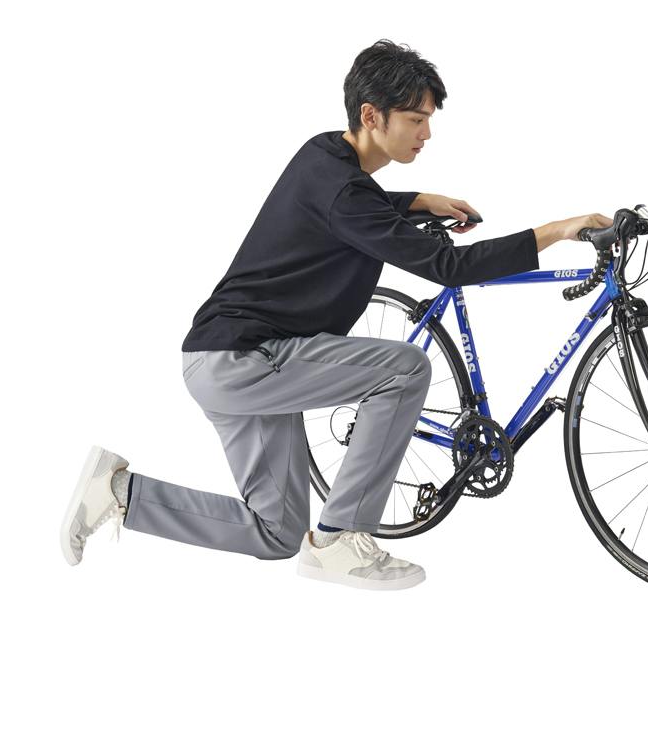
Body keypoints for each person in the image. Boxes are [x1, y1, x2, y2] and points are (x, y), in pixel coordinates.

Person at [60, 39, 612, 590]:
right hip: (246, 359)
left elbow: (352, 208)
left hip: (225, 358)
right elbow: (447, 265)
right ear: (372, 116)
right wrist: (557, 230)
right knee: (405, 369)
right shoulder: (344, 190)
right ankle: (340, 539)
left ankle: (118, 492)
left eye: (428, 120)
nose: (426, 133)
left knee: (276, 534)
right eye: (415, 119)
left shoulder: (324, 154)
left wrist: (416, 200)